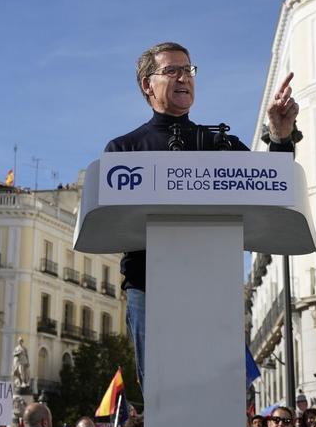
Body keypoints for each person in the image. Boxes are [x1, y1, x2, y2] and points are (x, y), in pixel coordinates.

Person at [104, 41, 298, 385]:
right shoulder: (124, 150)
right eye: (172, 70)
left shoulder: (220, 144)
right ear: (148, 85)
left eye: (189, 69)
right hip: (149, 288)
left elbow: (273, 186)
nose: (184, 77)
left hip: (213, 288)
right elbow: (112, 221)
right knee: (164, 394)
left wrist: (280, 137)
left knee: (214, 391)